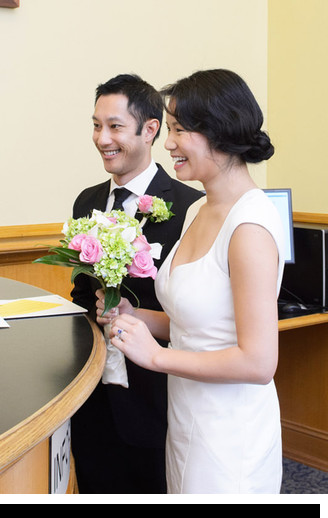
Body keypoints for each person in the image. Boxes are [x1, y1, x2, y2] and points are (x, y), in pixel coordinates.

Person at [101, 69, 283, 494]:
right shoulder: (198, 210)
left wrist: (157, 358)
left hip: (230, 431)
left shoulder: (250, 226)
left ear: (218, 132)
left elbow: (258, 363)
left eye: (179, 131)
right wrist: (136, 316)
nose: (168, 144)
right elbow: (196, 323)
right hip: (186, 416)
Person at [70, 74, 202, 494]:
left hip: (154, 395)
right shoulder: (86, 201)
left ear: (150, 129)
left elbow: (191, 312)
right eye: (96, 125)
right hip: (93, 395)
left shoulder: (188, 208)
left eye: (114, 126)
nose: (102, 138)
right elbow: (79, 293)